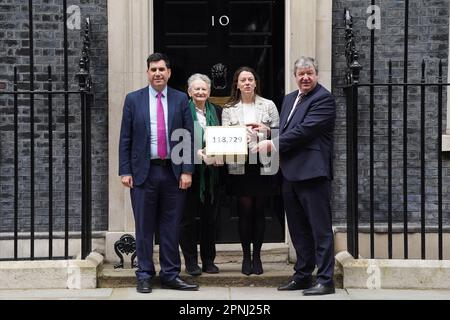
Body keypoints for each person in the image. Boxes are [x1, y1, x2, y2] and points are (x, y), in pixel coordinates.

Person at [252, 56, 336, 295]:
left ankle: (325, 280)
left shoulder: (324, 99)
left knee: (319, 229)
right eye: (301, 74)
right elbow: (289, 127)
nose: (305, 78)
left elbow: (304, 130)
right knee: (298, 230)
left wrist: (272, 143)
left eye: (309, 73)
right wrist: (268, 130)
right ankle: (302, 275)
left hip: (312, 174)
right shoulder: (290, 98)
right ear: (295, 76)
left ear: (316, 74)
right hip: (289, 173)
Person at [119, 53, 198, 293]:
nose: (157, 73)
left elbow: (188, 136)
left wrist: (187, 170)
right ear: (147, 72)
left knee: (171, 226)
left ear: (169, 72)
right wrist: (125, 170)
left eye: (162, 69)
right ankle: (144, 273)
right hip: (144, 173)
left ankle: (170, 273)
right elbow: (126, 138)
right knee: (144, 227)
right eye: (153, 69)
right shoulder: (133, 100)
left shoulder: (181, 99)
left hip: (173, 173)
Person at [222, 66, 280, 276]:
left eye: (250, 79)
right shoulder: (229, 109)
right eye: (243, 80)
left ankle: (258, 257)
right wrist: (239, 136)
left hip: (264, 163)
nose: (247, 83)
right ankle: (246, 257)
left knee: (260, 212)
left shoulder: (269, 105)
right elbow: (225, 139)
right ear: (237, 84)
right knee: (245, 212)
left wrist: (265, 132)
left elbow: (280, 135)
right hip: (240, 164)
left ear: (256, 83)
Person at [179, 73, 222, 276]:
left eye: (204, 89)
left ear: (209, 92)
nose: (200, 92)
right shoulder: (182, 111)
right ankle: (190, 261)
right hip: (189, 172)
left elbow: (225, 138)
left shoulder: (217, 111)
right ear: (189, 92)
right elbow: (177, 139)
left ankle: (209, 260)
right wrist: (196, 152)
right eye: (196, 89)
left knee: (209, 219)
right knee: (187, 219)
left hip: (212, 174)